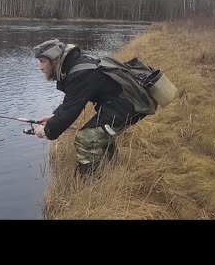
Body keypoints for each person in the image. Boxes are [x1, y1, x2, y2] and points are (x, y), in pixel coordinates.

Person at [32, 39, 157, 177]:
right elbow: (73, 101)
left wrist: (47, 131)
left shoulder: (79, 73)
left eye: (42, 61)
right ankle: (112, 168)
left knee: (85, 138)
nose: (40, 67)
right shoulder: (75, 64)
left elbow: (70, 112)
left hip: (129, 103)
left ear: (55, 60)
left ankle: (92, 183)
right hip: (121, 102)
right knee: (99, 132)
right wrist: (54, 116)